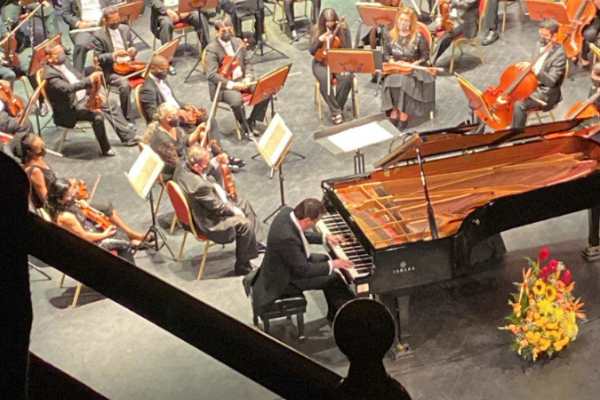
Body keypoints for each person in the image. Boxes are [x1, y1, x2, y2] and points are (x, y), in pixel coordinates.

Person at [20, 133, 151, 244]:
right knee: (104, 206)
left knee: (105, 203)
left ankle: (126, 236)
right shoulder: (35, 171)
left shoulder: (40, 159)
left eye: (43, 146)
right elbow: (46, 200)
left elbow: (54, 184)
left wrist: (70, 186)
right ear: (29, 152)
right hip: (60, 205)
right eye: (39, 149)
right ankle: (130, 235)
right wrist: (70, 195)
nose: (43, 150)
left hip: (63, 196)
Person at [250, 198, 355, 322]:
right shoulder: (287, 238)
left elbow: (300, 234)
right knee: (334, 278)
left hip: (282, 266)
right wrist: (334, 264)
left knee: (325, 259)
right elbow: (304, 270)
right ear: (307, 220)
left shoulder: (287, 213)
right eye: (316, 221)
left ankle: (334, 312)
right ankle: (347, 318)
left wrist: (325, 237)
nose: (315, 224)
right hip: (283, 281)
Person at [174, 145, 264, 275]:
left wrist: (215, 161)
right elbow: (218, 207)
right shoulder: (199, 186)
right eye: (205, 165)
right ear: (196, 166)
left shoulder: (182, 166)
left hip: (202, 209)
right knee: (244, 223)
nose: (207, 167)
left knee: (243, 201)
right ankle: (242, 265)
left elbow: (204, 172)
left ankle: (254, 243)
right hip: (207, 222)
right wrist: (234, 211)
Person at [43, 43, 141, 157]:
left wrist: (94, 94)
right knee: (97, 117)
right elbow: (69, 88)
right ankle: (105, 149)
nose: (61, 55)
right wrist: (90, 79)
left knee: (110, 104)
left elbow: (79, 78)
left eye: (62, 52)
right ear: (48, 58)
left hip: (84, 98)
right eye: (57, 54)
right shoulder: (50, 76)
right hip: (70, 109)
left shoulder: (66, 63)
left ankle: (129, 137)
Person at [205, 17, 269, 139]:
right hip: (223, 86)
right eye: (223, 31)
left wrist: (248, 77)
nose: (227, 33)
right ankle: (245, 127)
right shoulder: (211, 49)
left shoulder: (237, 42)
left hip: (242, 80)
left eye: (229, 30)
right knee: (236, 100)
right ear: (216, 32)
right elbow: (212, 75)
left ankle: (252, 121)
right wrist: (233, 85)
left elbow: (247, 63)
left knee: (266, 89)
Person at [143, 103, 243, 181]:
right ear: (161, 119)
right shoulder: (163, 140)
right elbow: (177, 165)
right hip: (175, 171)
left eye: (175, 115)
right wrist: (202, 162)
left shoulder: (173, 127)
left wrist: (199, 130)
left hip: (184, 160)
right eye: (170, 117)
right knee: (213, 168)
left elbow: (186, 140)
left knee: (212, 162)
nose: (175, 119)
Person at [46, 178, 136, 263]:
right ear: (60, 200)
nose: (74, 196)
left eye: (73, 192)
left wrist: (81, 203)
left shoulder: (65, 204)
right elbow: (85, 237)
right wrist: (104, 234)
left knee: (121, 233)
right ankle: (131, 274)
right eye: (70, 195)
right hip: (87, 246)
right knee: (124, 243)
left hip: (90, 233)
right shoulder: (65, 217)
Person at [381, 7, 436, 131]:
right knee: (390, 81)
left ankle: (403, 113)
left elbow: (425, 56)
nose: (402, 22)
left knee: (404, 82)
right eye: (400, 19)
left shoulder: (418, 37)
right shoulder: (390, 35)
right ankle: (394, 110)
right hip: (396, 68)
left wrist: (413, 64)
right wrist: (393, 62)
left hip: (414, 69)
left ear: (411, 22)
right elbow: (386, 54)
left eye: (405, 20)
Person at [510, 19, 567, 130]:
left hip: (545, 93)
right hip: (533, 84)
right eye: (540, 34)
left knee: (519, 103)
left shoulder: (559, 55)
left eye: (545, 35)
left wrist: (533, 68)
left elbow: (551, 81)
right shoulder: (538, 44)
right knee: (511, 92)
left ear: (554, 35)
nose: (542, 38)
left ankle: (515, 134)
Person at [92, 6, 138, 131]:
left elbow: (132, 47)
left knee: (150, 72)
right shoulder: (98, 35)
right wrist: (114, 55)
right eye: (113, 21)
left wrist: (133, 51)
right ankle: (127, 118)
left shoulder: (125, 29)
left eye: (117, 19)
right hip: (111, 71)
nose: (116, 22)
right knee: (124, 85)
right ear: (105, 21)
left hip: (128, 66)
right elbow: (97, 57)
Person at [309, 8, 353, 125]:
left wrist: (345, 66)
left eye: (332, 22)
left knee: (347, 78)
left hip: (339, 61)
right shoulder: (316, 29)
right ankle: (337, 112)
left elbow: (349, 48)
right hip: (321, 62)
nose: (329, 25)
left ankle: (336, 109)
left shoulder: (343, 28)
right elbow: (312, 51)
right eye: (327, 23)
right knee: (324, 80)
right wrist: (320, 40)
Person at [0, 17, 49, 116]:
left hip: (5, 57)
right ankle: (8, 107)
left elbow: (4, 35)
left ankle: (41, 101)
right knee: (9, 74)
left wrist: (9, 39)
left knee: (30, 67)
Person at [150, 0, 210, 75]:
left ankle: (208, 54)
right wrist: (167, 11)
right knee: (166, 23)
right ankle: (166, 61)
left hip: (184, 10)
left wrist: (188, 9)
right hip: (165, 12)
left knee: (199, 16)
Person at [62, 0, 119, 72]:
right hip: (84, 29)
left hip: (102, 25)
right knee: (81, 45)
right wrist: (78, 23)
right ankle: (78, 76)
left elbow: (111, 4)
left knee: (118, 33)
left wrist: (108, 17)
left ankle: (115, 68)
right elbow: (66, 13)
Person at [430, 0, 479, 66]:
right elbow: (442, 6)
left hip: (464, 22)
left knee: (445, 37)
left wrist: (450, 2)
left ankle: (430, 62)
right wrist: (439, 18)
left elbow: (466, 4)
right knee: (426, 29)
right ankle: (421, 56)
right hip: (447, 18)